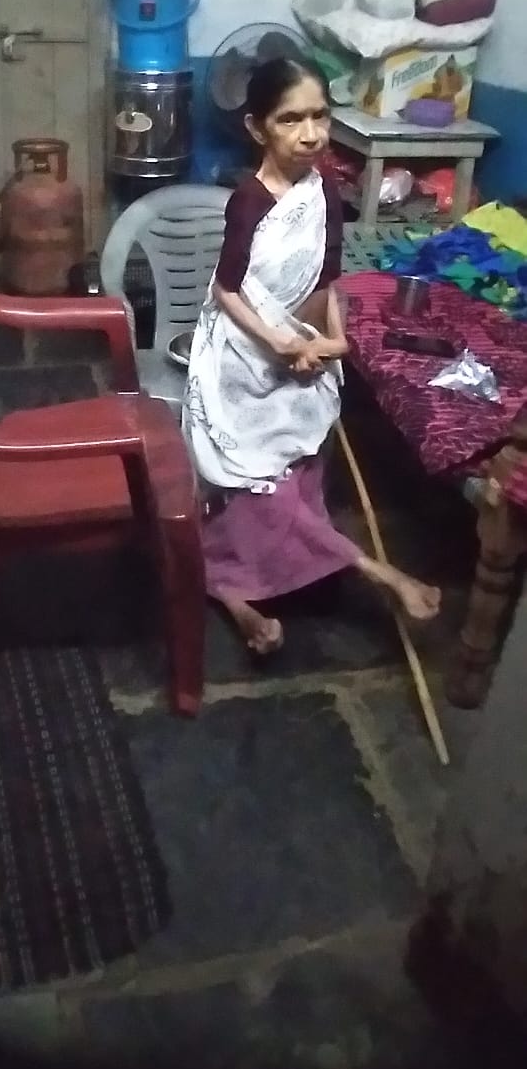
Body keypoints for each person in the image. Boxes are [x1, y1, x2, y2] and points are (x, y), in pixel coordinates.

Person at [182, 56, 441, 655]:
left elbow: (329, 278)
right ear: (257, 128)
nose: (310, 134)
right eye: (290, 119)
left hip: (305, 355)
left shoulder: (324, 190)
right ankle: (382, 575)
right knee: (262, 489)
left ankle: (231, 585)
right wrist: (277, 342)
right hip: (245, 363)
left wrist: (335, 340)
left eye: (320, 116)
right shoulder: (250, 201)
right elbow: (226, 291)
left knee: (294, 482)